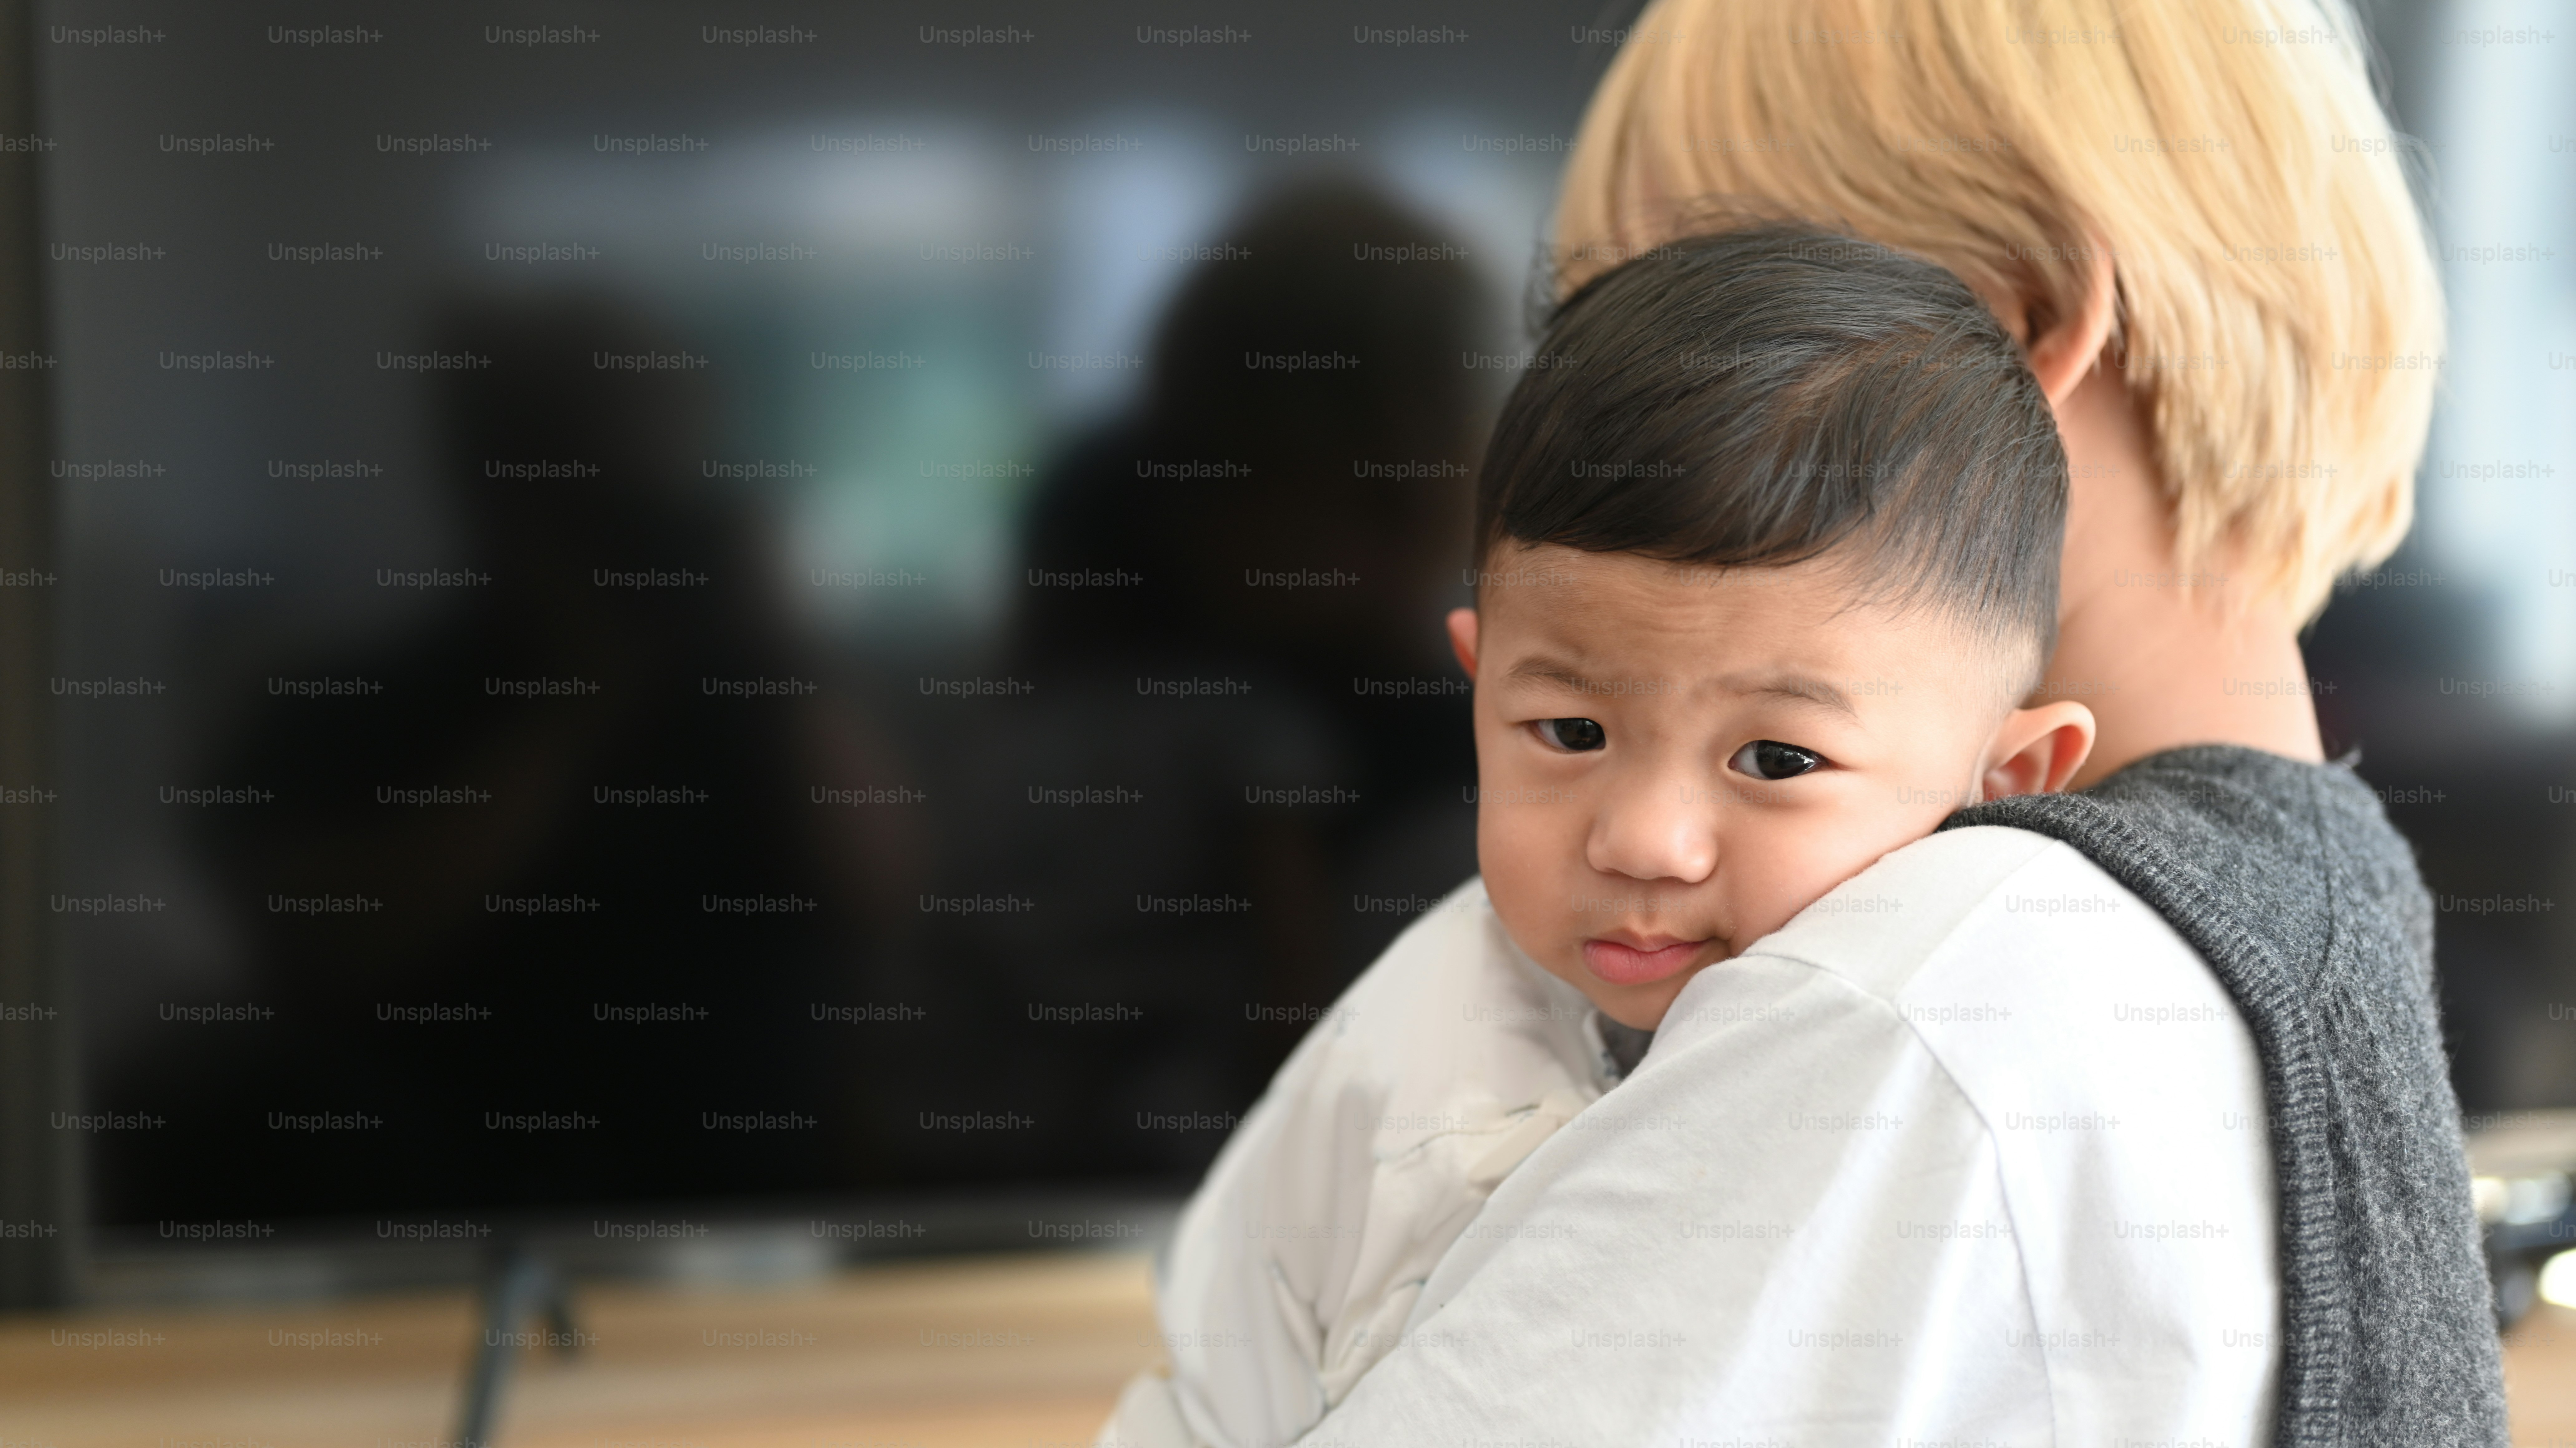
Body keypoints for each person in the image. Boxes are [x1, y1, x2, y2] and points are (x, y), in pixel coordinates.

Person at [1120, 0, 2507, 1442]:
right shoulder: (2326, 898)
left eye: (1703, 317)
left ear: (2019, 320)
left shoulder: (1937, 979)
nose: (1600, 417)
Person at [1099, 221, 2163, 1446]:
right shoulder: (1394, 1048)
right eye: (1571, 731)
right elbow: (1206, 1394)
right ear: (1480, 683)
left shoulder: (1972, 1077)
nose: (1647, 842)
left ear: (2004, 782)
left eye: (1777, 760)